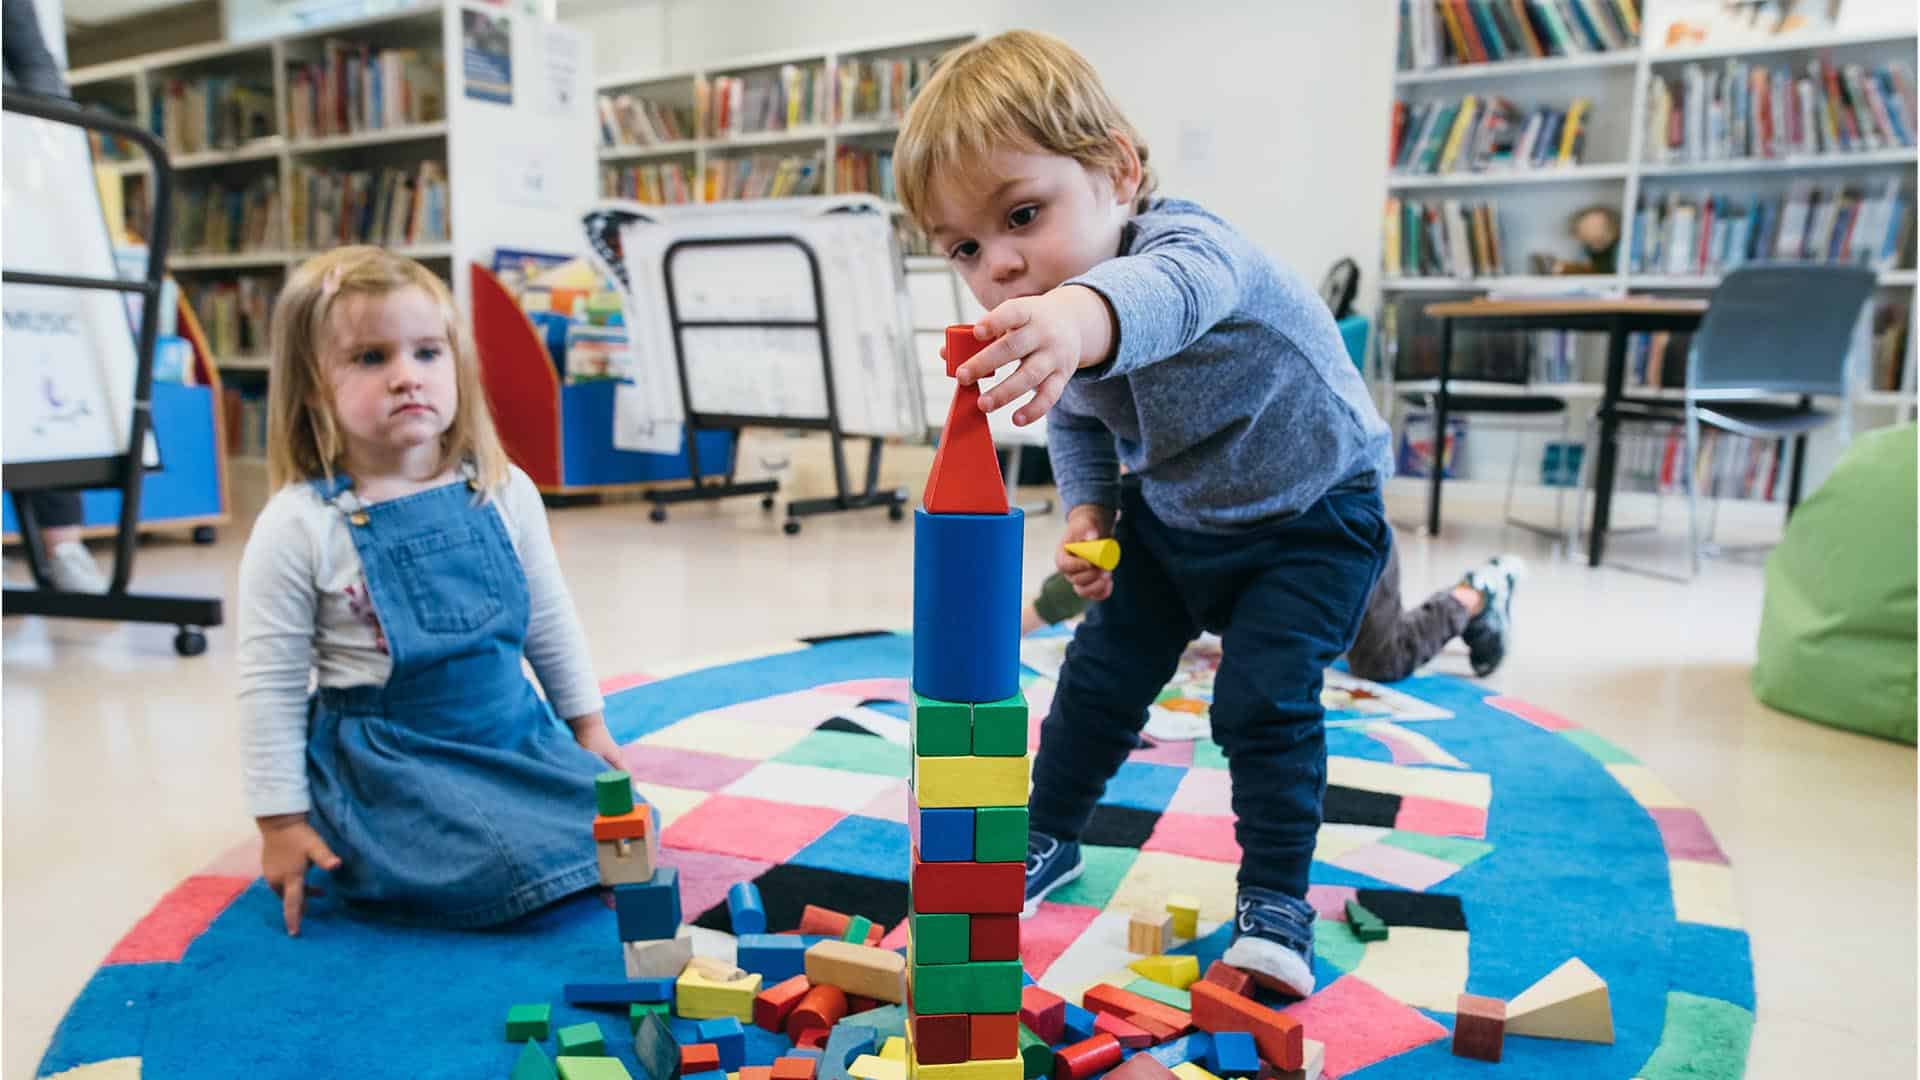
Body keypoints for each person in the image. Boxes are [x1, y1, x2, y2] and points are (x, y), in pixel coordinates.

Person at [895, 30, 1393, 994]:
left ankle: (1278, 899)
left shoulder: (1194, 248)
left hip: (1316, 514)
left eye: (1023, 214)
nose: (999, 264)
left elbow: (1154, 299)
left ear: (1119, 171)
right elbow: (1082, 417)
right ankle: (1048, 831)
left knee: (1263, 700)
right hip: (1174, 518)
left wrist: (1073, 322)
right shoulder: (1054, 314)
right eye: (965, 247)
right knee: (1098, 677)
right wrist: (1089, 510)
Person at [237, 247, 625, 936]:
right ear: (310, 388)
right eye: (370, 358)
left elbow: (549, 620)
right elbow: (268, 686)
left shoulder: (502, 489)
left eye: (426, 353)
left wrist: (587, 725)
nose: (405, 378)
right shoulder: (299, 525)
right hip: (395, 758)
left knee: (620, 823)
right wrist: (280, 822)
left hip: (509, 729)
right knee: (490, 862)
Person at [1023, 550, 1524, 682]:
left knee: (1380, 658)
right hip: (1268, 578)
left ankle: (1476, 592)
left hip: (1342, 542)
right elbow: (1073, 585)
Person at [3, 0, 109, 592]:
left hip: (15, 166)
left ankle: (63, 545)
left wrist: (51, 140)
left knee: (37, 349)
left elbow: (33, 59)